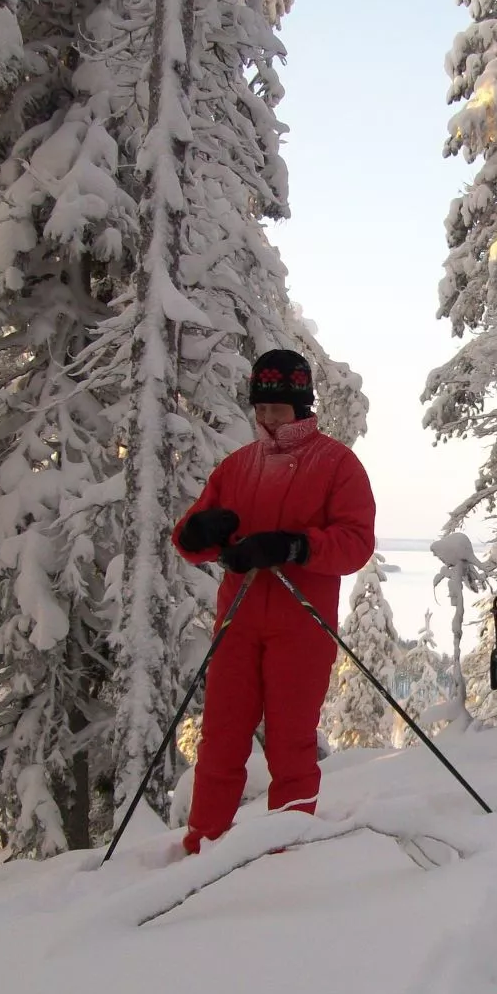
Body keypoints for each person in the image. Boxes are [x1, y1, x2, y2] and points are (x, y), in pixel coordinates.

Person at [172, 349, 376, 853]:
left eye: (277, 409)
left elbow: (356, 542)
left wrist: (295, 546)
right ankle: (202, 845)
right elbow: (191, 541)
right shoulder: (238, 466)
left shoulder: (336, 464)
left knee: (291, 745)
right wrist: (197, 531)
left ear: (302, 405)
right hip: (237, 621)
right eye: (260, 408)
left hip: (301, 626)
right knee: (220, 740)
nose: (266, 418)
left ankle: (285, 855)